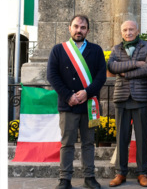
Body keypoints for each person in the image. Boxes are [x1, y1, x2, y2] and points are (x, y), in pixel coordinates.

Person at [47, 15, 106, 189]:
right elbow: (52, 75)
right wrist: (68, 96)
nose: (79, 30)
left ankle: (89, 177)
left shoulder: (96, 50)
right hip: (68, 105)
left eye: (83, 27)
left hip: (89, 105)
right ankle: (64, 178)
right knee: (67, 143)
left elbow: (101, 76)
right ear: (69, 28)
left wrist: (87, 93)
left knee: (88, 143)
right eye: (76, 26)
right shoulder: (58, 49)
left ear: (87, 30)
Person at [107, 20, 147, 187]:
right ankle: (120, 173)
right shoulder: (116, 48)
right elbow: (112, 66)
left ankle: (142, 173)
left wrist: (125, 74)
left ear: (137, 30)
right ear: (121, 32)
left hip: (141, 98)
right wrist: (135, 63)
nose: (128, 32)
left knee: (142, 137)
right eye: (125, 30)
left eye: (131, 29)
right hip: (121, 98)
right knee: (121, 137)